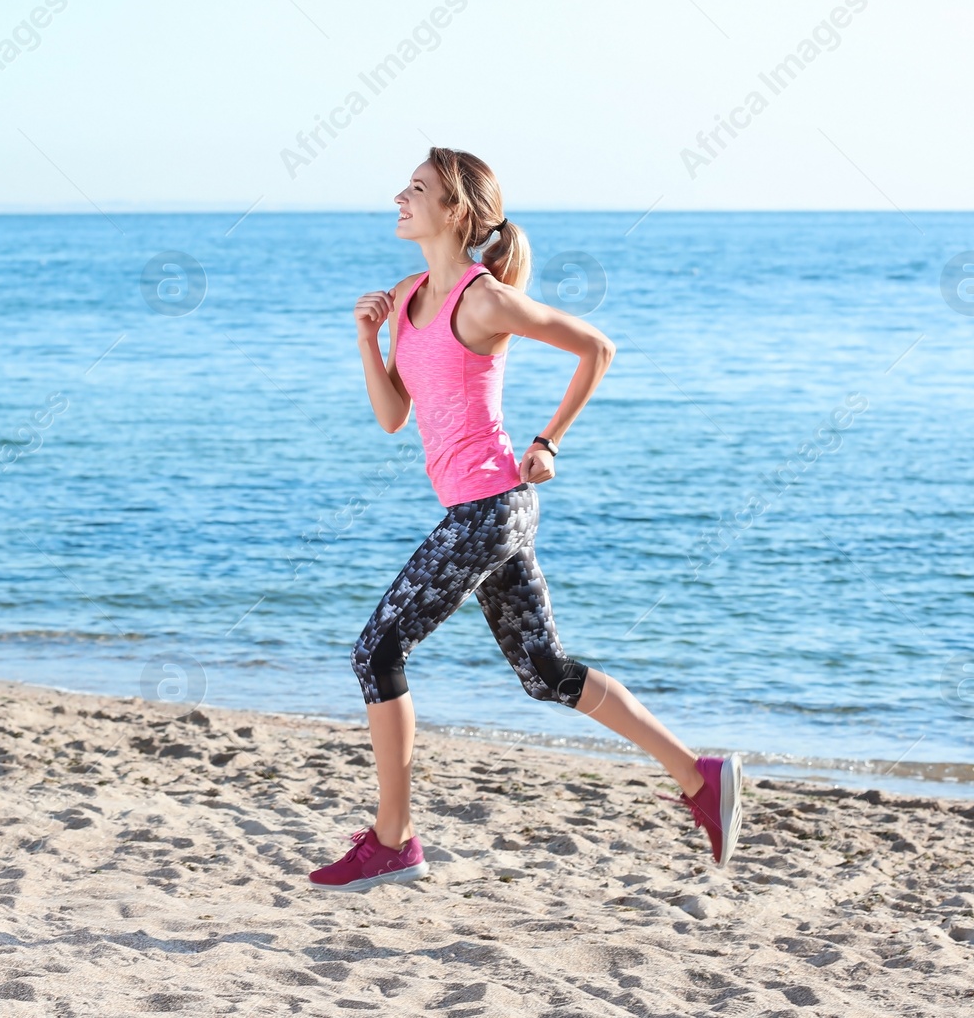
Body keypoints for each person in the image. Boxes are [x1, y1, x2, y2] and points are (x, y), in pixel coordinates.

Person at [307, 147, 743, 893]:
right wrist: (368, 339)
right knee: (546, 673)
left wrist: (548, 440)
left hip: (490, 508)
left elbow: (596, 348)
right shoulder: (409, 294)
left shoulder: (483, 301)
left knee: (376, 650)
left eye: (416, 190)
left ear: (456, 213)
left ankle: (394, 839)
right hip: (481, 511)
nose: (398, 198)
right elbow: (391, 417)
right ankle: (699, 777)